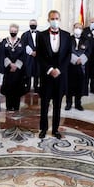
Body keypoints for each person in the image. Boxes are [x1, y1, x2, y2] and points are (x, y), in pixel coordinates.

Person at [37, 10, 71, 139]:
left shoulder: (67, 36)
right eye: (52, 18)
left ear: (60, 19)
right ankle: (43, 128)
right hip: (47, 75)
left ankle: (56, 129)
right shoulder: (41, 35)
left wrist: (59, 70)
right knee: (44, 104)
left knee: (57, 104)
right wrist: (50, 69)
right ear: (48, 19)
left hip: (61, 76)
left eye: (56, 18)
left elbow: (68, 56)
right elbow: (39, 56)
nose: (54, 20)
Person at [0, 23, 26, 112]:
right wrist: (10, 64)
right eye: (12, 31)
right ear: (9, 31)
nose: (13, 33)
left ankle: (16, 106)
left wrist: (16, 65)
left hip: (18, 71)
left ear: (17, 31)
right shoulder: (4, 41)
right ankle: (9, 106)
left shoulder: (21, 42)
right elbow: (2, 54)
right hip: (8, 69)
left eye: (15, 31)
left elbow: (23, 56)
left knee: (17, 88)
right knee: (8, 88)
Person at [66, 22, 91, 111]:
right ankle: (68, 103)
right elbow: (66, 51)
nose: (78, 29)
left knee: (79, 86)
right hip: (70, 66)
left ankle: (78, 103)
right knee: (69, 85)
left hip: (81, 66)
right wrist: (74, 59)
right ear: (73, 28)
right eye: (76, 27)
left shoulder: (86, 40)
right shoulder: (68, 39)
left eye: (80, 28)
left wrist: (81, 59)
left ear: (82, 30)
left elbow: (88, 52)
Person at [21, 19, 40, 93]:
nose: (33, 25)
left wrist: (37, 51)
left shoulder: (40, 34)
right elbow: (23, 45)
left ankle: (36, 86)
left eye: (34, 24)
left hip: (38, 56)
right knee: (28, 71)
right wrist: (31, 52)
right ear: (29, 25)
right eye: (31, 24)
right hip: (28, 56)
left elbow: (43, 44)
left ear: (36, 24)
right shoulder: (25, 34)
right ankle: (27, 87)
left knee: (37, 71)